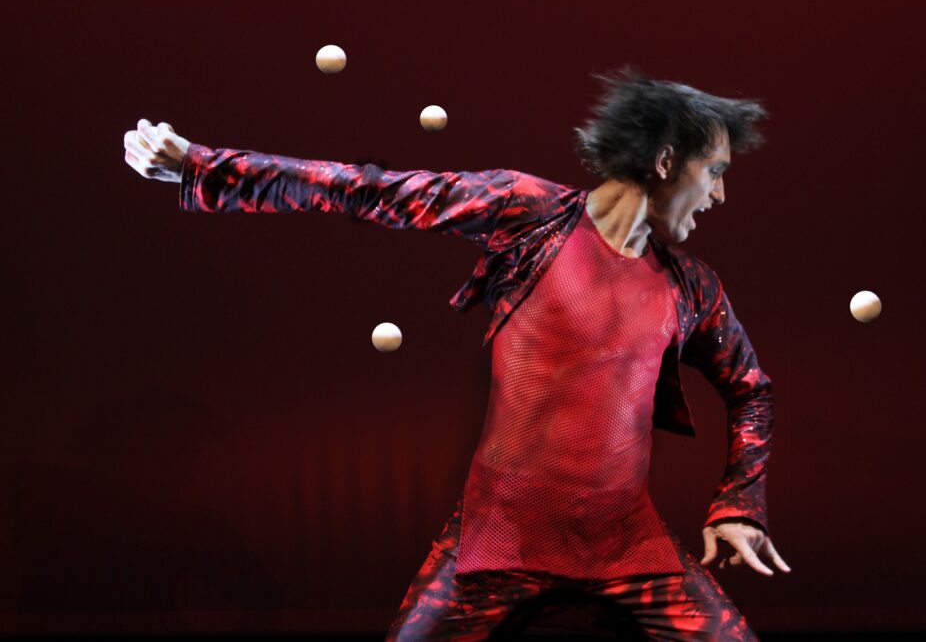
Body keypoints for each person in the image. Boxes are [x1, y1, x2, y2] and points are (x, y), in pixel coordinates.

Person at [123, 67, 790, 641]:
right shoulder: (530, 215)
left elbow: (750, 387)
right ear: (667, 160)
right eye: (716, 171)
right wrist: (201, 167)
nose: (720, 195)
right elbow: (367, 189)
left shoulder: (690, 287)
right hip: (496, 542)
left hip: (627, 548)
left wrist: (739, 504)